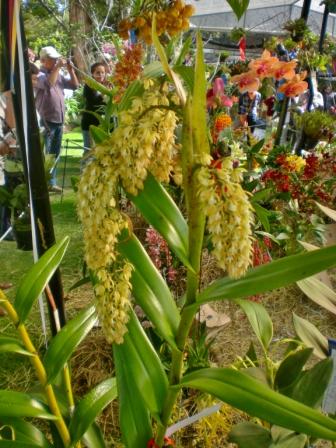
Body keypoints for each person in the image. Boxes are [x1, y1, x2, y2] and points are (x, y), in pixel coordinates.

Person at [35, 46, 79, 192]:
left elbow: (75, 85)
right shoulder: (39, 75)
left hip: (58, 120)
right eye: (52, 59)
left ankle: (51, 182)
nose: (55, 61)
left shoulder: (58, 74)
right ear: (42, 60)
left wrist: (71, 69)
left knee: (55, 153)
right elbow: (49, 83)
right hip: (46, 120)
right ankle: (44, 183)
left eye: (56, 59)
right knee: (47, 154)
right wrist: (58, 67)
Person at [81, 62, 106, 151]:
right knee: (89, 152)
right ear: (92, 74)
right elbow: (92, 102)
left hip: (101, 125)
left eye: (103, 72)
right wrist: (103, 95)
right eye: (98, 73)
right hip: (89, 124)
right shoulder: (88, 85)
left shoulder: (104, 86)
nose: (101, 75)